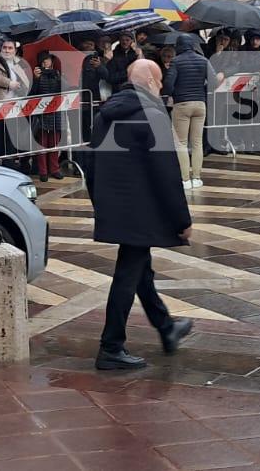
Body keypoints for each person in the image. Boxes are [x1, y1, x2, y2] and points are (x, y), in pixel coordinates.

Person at [84, 59, 194, 370]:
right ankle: (111, 346)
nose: (161, 88)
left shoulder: (105, 113)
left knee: (140, 271)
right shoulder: (152, 114)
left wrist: (101, 205)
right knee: (127, 275)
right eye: (159, 82)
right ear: (148, 82)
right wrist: (181, 221)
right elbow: (166, 173)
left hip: (115, 206)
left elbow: (90, 165)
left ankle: (166, 327)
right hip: (140, 211)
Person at [162, 34, 216, 190]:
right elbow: (213, 82)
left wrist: (173, 94)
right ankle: (197, 178)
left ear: (179, 46)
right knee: (197, 142)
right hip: (200, 104)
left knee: (181, 143)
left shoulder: (176, 62)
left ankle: (185, 179)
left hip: (182, 105)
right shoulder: (203, 60)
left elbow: (168, 85)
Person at [0, 40, 30, 170]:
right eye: (5, 48)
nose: (7, 50)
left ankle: (11, 161)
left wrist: (22, 88)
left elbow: (25, 81)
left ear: (15, 50)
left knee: (12, 134)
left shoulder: (17, 63)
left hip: (14, 104)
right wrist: (9, 83)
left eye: (10, 48)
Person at [29, 52, 65, 181]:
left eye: (48, 60)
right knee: (42, 144)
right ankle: (43, 171)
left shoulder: (57, 74)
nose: (46, 62)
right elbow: (32, 94)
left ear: (52, 61)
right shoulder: (36, 75)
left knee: (54, 143)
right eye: (43, 60)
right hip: (41, 114)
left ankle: (54, 169)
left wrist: (61, 78)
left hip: (55, 112)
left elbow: (63, 90)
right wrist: (36, 79)